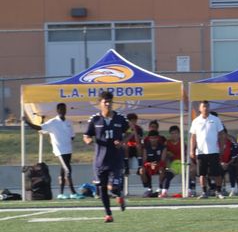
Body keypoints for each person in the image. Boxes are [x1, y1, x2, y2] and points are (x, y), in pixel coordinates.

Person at [82, 90, 129, 222]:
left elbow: (130, 132)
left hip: (115, 159)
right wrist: (88, 141)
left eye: (110, 102)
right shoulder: (95, 119)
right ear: (100, 103)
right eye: (105, 102)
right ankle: (108, 214)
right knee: (102, 188)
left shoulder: (120, 118)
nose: (108, 104)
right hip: (100, 160)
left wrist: (122, 141)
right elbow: (86, 135)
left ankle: (119, 195)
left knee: (113, 188)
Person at [23, 102, 76, 197]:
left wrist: (66, 140)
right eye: (61, 109)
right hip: (59, 150)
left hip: (68, 149)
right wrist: (27, 122)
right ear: (58, 110)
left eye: (64, 109)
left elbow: (72, 136)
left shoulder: (69, 122)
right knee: (68, 170)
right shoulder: (53, 122)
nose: (63, 111)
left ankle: (61, 193)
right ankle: (73, 193)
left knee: (63, 170)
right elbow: (39, 127)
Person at [189, 100, 225, 198]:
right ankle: (204, 192)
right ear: (200, 109)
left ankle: (218, 191)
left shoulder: (215, 119)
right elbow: (193, 137)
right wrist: (192, 150)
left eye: (207, 106)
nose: (205, 108)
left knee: (217, 173)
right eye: (203, 107)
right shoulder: (196, 121)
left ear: (209, 108)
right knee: (202, 174)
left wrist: (222, 147)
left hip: (214, 151)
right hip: (201, 152)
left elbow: (221, 134)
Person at [138, 130, 175, 197]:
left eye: (155, 138)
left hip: (159, 165)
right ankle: (148, 189)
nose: (153, 140)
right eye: (151, 138)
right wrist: (150, 164)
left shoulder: (163, 147)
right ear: (149, 138)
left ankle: (160, 188)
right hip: (149, 166)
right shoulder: (146, 148)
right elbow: (144, 161)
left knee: (161, 169)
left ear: (158, 138)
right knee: (141, 170)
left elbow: (163, 160)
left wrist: (156, 164)